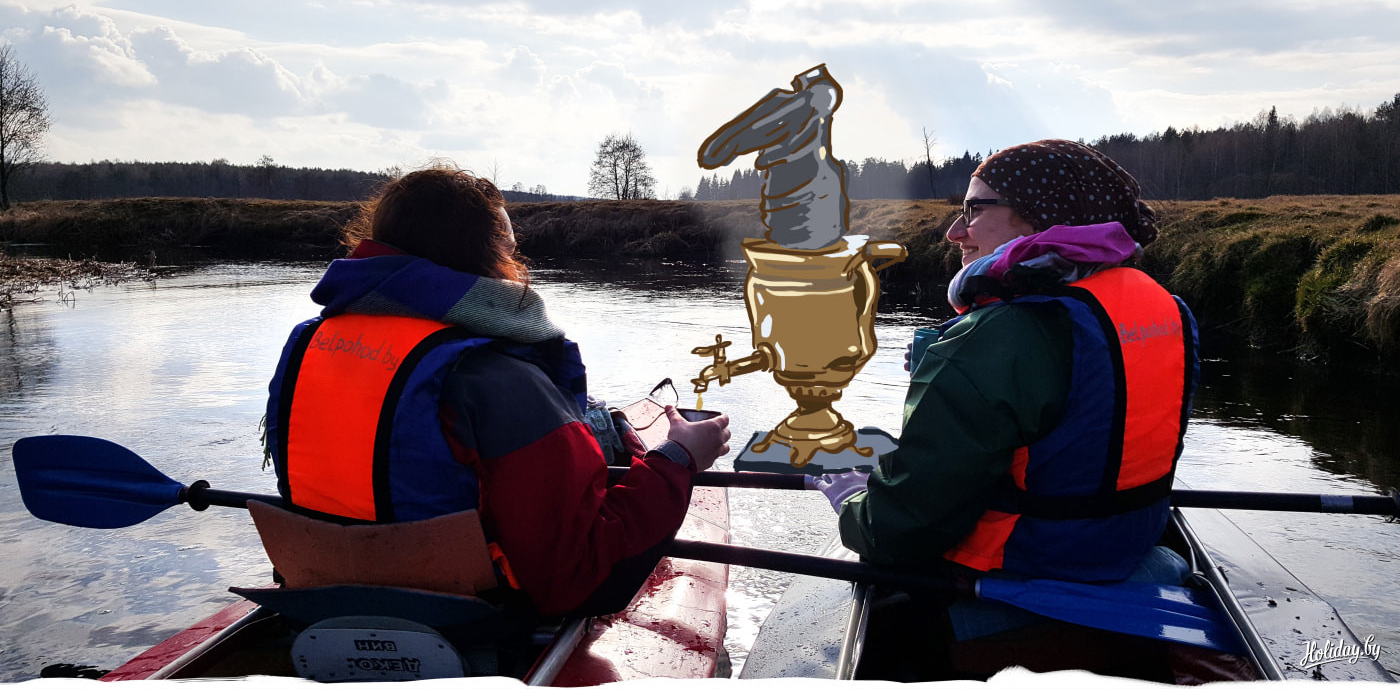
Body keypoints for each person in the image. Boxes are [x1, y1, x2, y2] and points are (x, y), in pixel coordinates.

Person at [262, 164, 731, 617]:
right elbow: (573, 573)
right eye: (510, 245)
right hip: (467, 614)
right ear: (492, 257)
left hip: (321, 587)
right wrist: (678, 459)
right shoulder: (498, 377)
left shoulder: (307, 342)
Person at [816, 138, 1199, 586]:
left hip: (1023, 570)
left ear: (1043, 215)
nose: (954, 231)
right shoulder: (1170, 309)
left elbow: (895, 536)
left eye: (974, 210)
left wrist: (854, 502)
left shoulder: (999, 336)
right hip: (1127, 546)